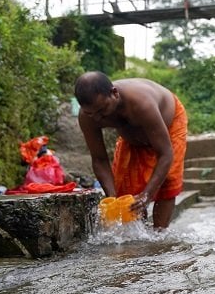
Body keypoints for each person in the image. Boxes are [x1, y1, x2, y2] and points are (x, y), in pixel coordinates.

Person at [74, 72, 188, 229]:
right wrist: (112, 198)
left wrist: (146, 195)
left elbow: (166, 154)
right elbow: (99, 159)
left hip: (169, 128)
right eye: (90, 113)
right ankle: (139, 235)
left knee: (167, 180)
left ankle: (159, 235)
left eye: (102, 110)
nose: (98, 118)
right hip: (132, 139)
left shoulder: (141, 103)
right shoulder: (88, 117)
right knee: (124, 187)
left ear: (115, 93)